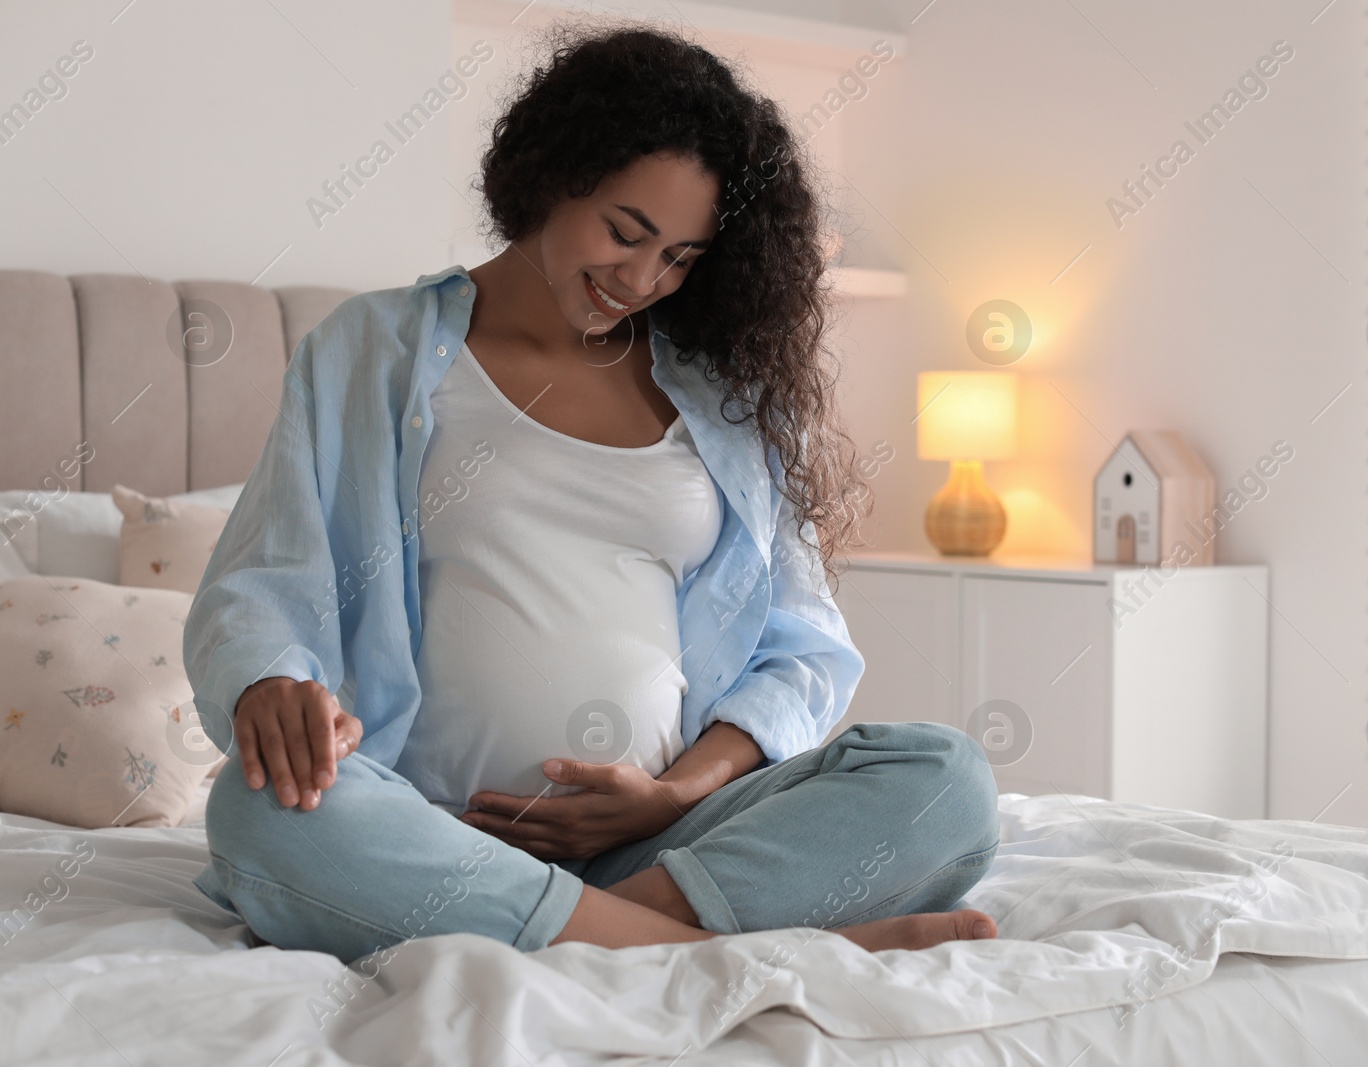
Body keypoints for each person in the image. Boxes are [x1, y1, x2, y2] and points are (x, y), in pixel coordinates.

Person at [185, 23, 1000, 968]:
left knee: (947, 780)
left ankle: (600, 925)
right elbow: (263, 582)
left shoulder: (719, 399)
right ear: (552, 172)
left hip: (667, 848)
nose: (642, 279)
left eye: (681, 257)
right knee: (258, 814)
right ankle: (702, 947)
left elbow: (802, 653)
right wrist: (272, 681)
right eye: (625, 232)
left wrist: (677, 795)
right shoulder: (372, 351)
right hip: (426, 836)